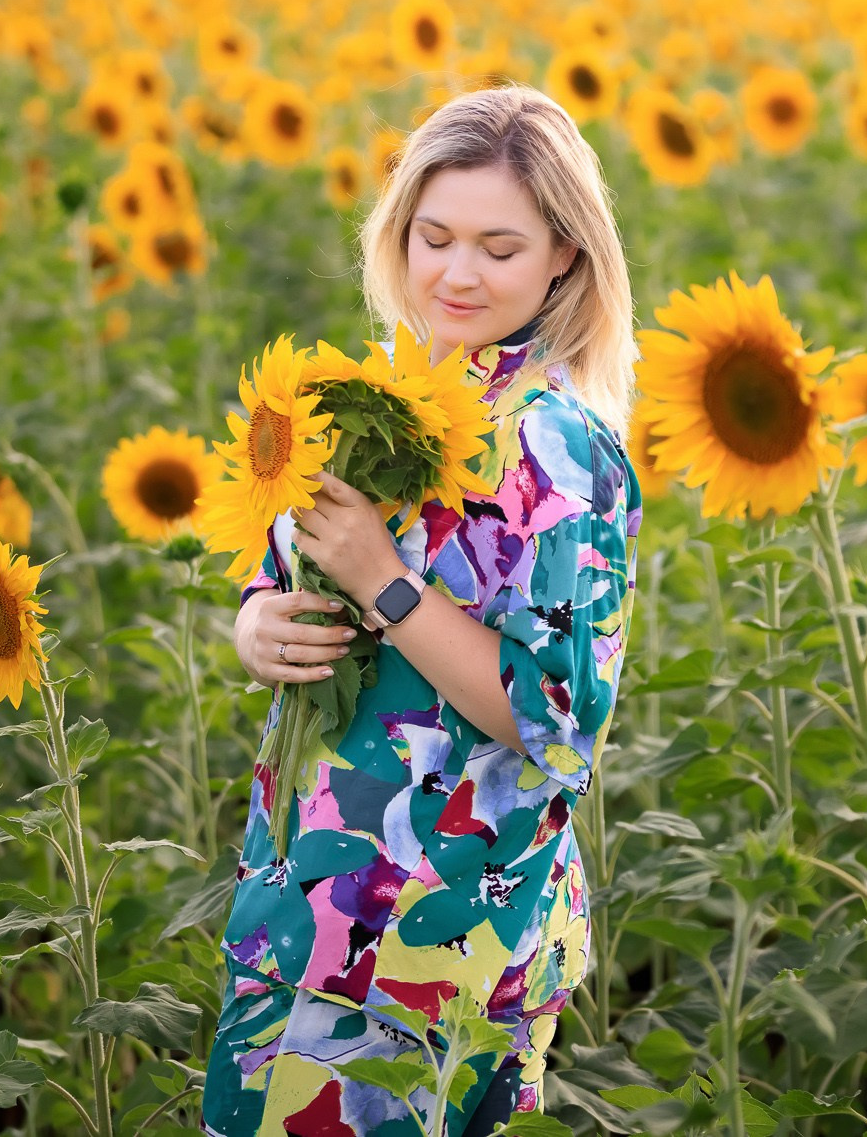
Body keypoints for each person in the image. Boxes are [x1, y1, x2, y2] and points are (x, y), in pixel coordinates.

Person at [201, 84, 643, 1136]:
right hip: (309, 902)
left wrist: (385, 586)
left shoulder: (557, 448)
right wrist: (256, 626)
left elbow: (554, 715)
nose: (455, 272)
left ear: (562, 259)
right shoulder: (375, 398)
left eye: (499, 246)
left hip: (439, 933)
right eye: (432, 236)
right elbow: (286, 576)